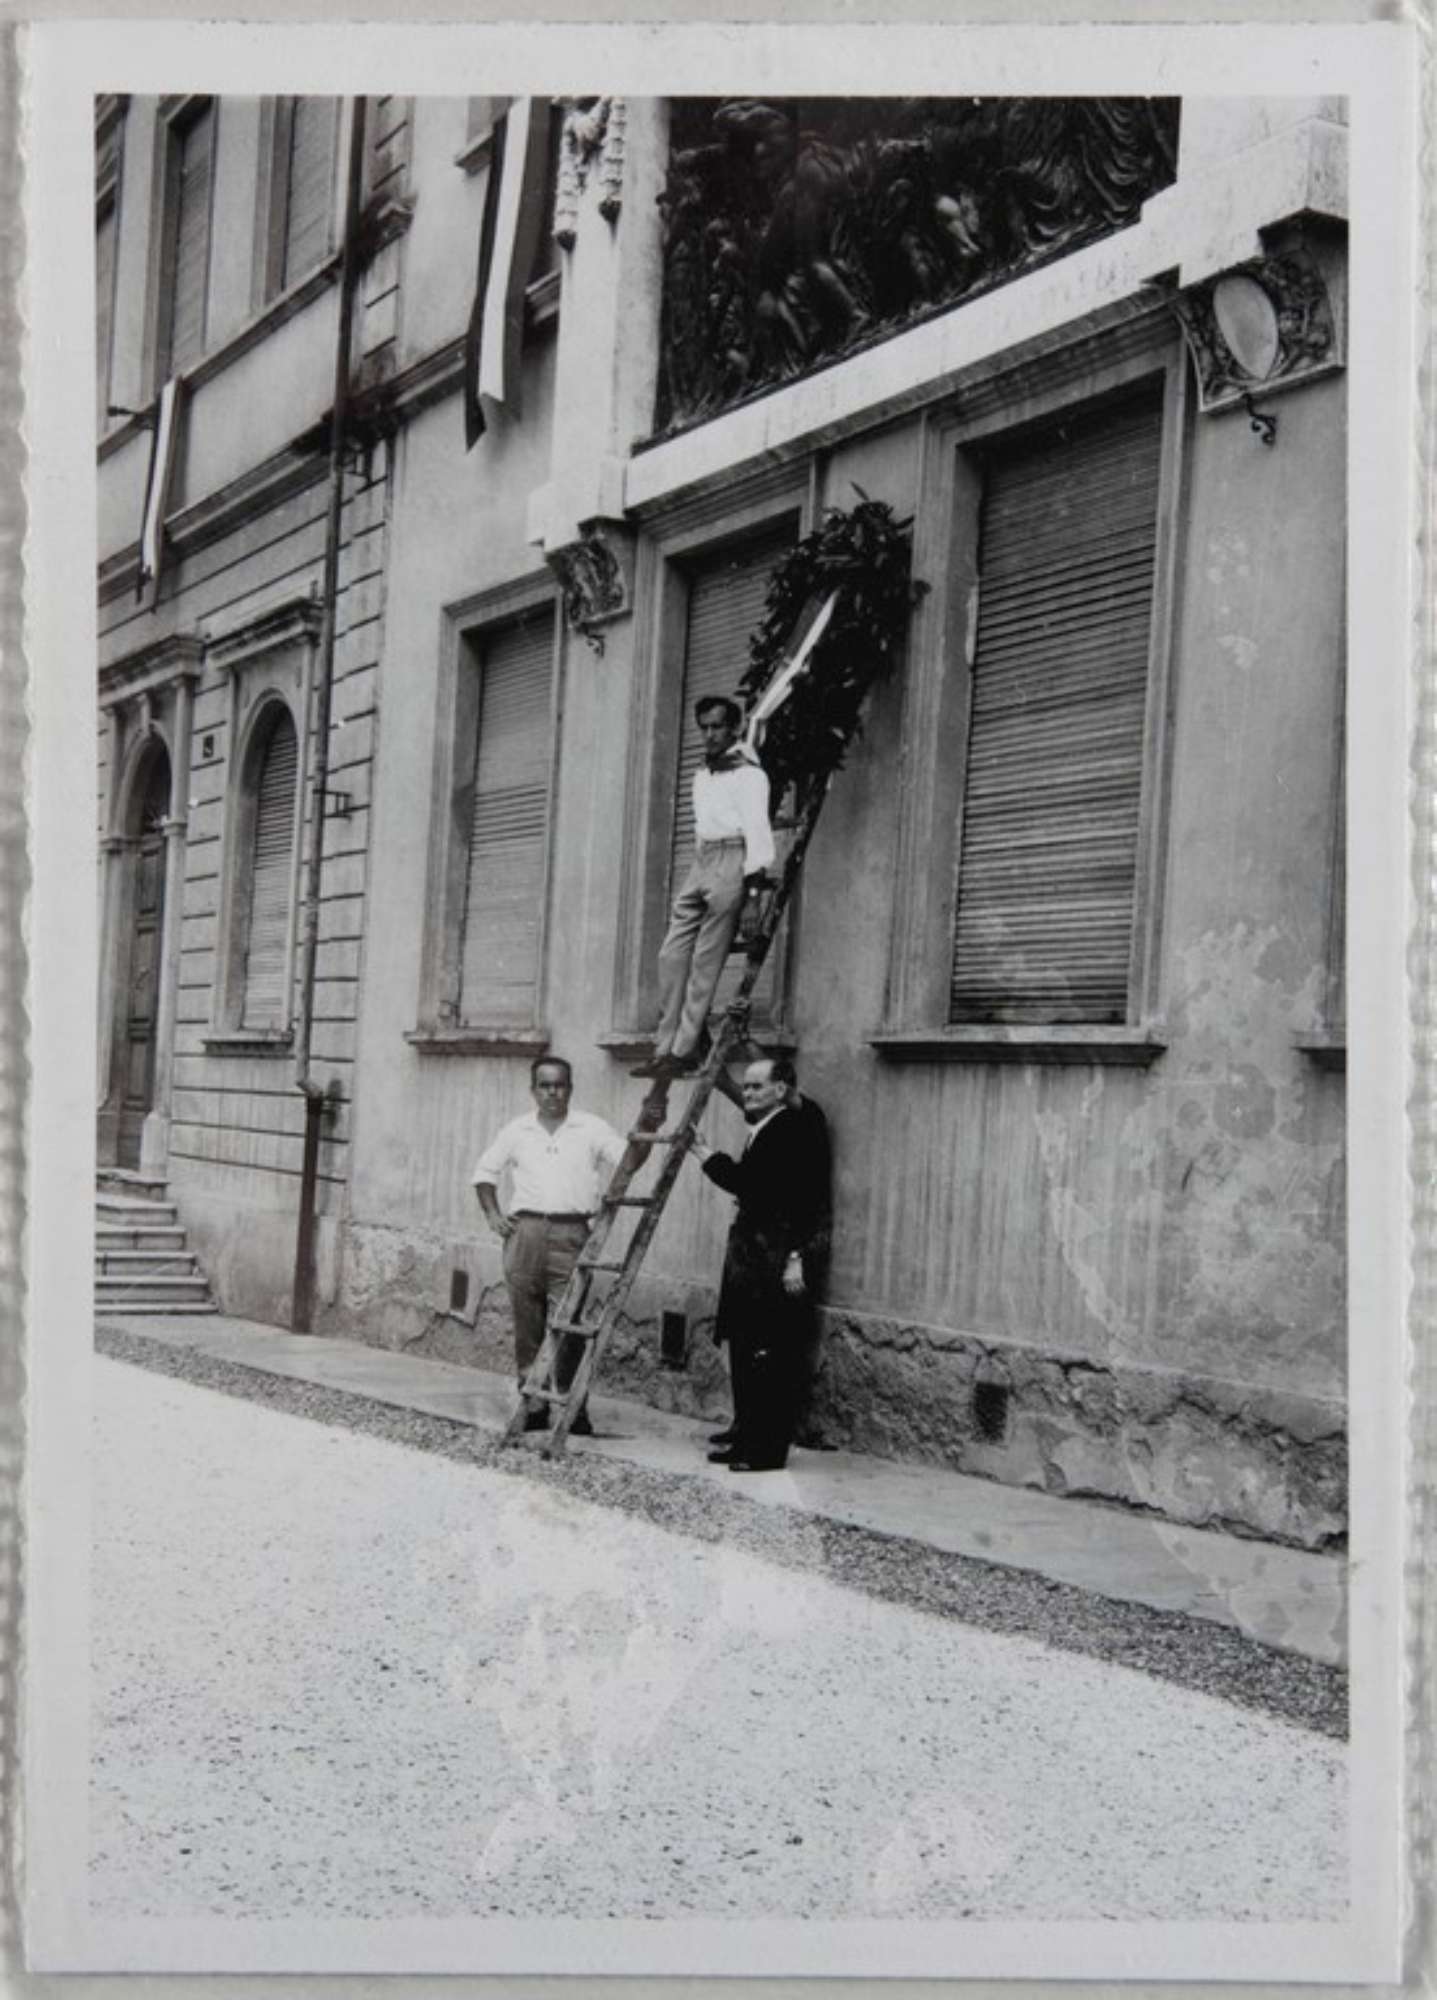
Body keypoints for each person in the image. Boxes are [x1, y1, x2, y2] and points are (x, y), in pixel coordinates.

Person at [688, 1056, 831, 1472]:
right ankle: (747, 1438)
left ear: (781, 1090)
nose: (746, 1093)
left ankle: (767, 1452)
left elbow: (800, 1201)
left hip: (775, 1257)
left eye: (755, 1087)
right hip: (753, 1257)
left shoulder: (793, 1130)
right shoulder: (765, 1128)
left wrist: (796, 1258)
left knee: (771, 1354)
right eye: (745, 1086)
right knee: (747, 1346)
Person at [472, 1057, 625, 1435]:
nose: (552, 1092)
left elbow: (628, 1159)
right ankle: (534, 1406)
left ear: (570, 1088)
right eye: (545, 1085)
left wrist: (649, 1128)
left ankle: (573, 1409)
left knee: (568, 1325)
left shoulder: (590, 1127)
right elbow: (484, 1173)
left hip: (572, 1234)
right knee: (528, 1326)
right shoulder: (517, 1130)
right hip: (525, 1233)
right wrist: (493, 1215)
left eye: (559, 1085)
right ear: (533, 1090)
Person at [632, 694, 775, 1082]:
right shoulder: (703, 774)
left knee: (705, 961)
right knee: (671, 955)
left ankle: (682, 1050)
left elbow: (758, 836)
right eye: (705, 728)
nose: (710, 735)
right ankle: (663, 1048)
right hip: (703, 860)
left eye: (717, 727)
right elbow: (701, 828)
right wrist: (700, 867)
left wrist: (752, 896)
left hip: (734, 858)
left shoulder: (750, 775)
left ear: (735, 729)